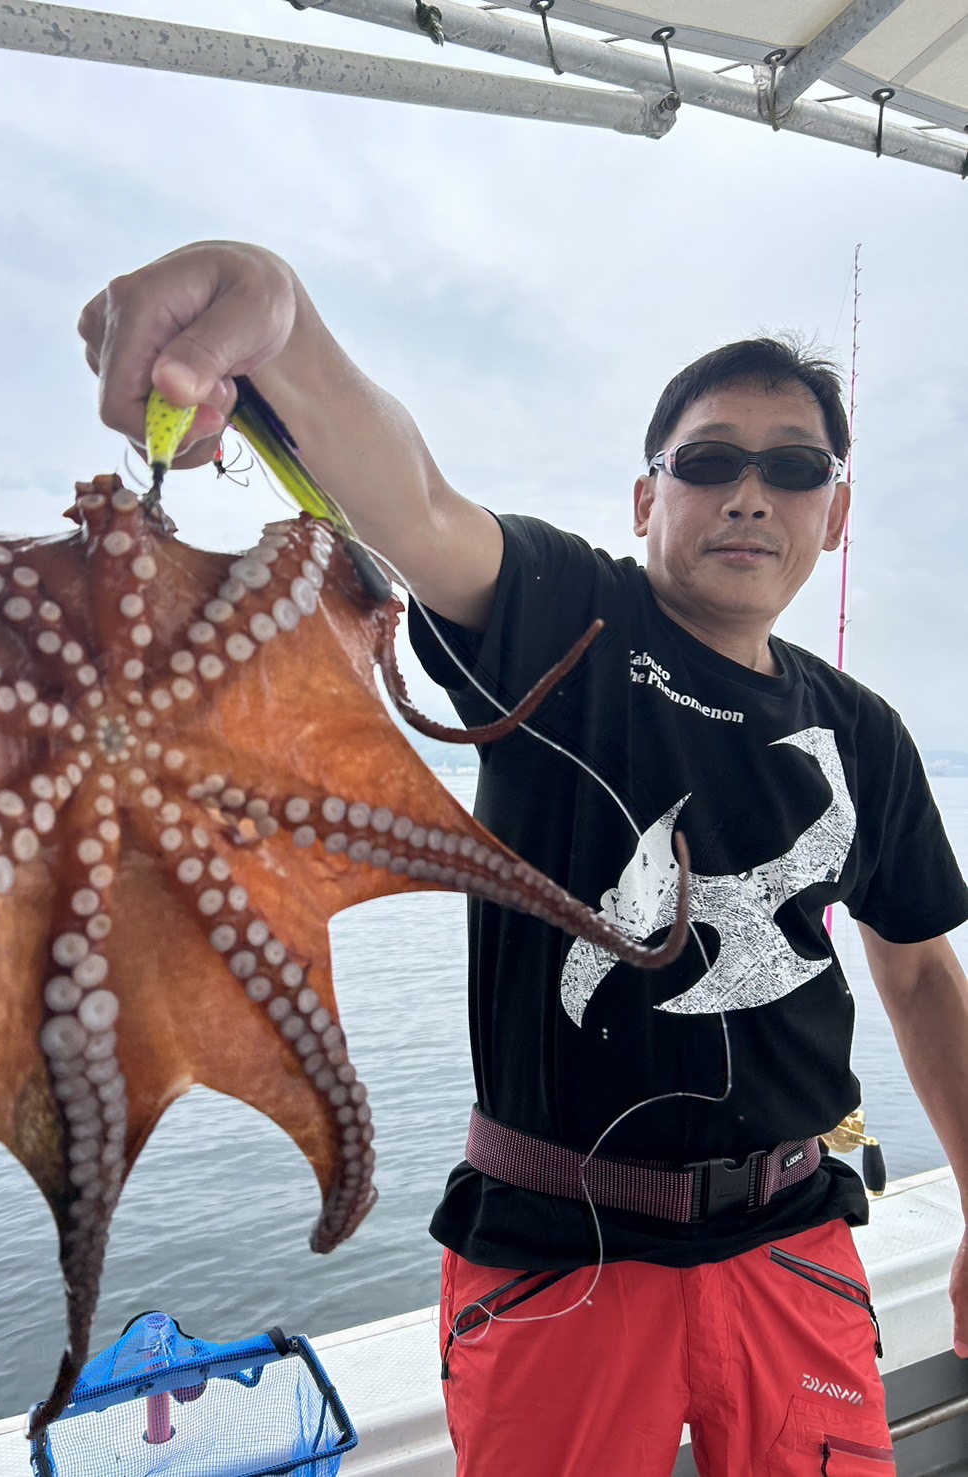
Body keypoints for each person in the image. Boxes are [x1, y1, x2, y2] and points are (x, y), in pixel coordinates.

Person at [79, 242, 968, 1475]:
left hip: (791, 1244)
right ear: (646, 502)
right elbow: (417, 506)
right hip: (560, 1255)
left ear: (835, 510)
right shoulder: (564, 619)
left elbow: (916, 973)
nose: (751, 495)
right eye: (709, 462)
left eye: (794, 467)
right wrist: (282, 326)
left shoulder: (862, 733)